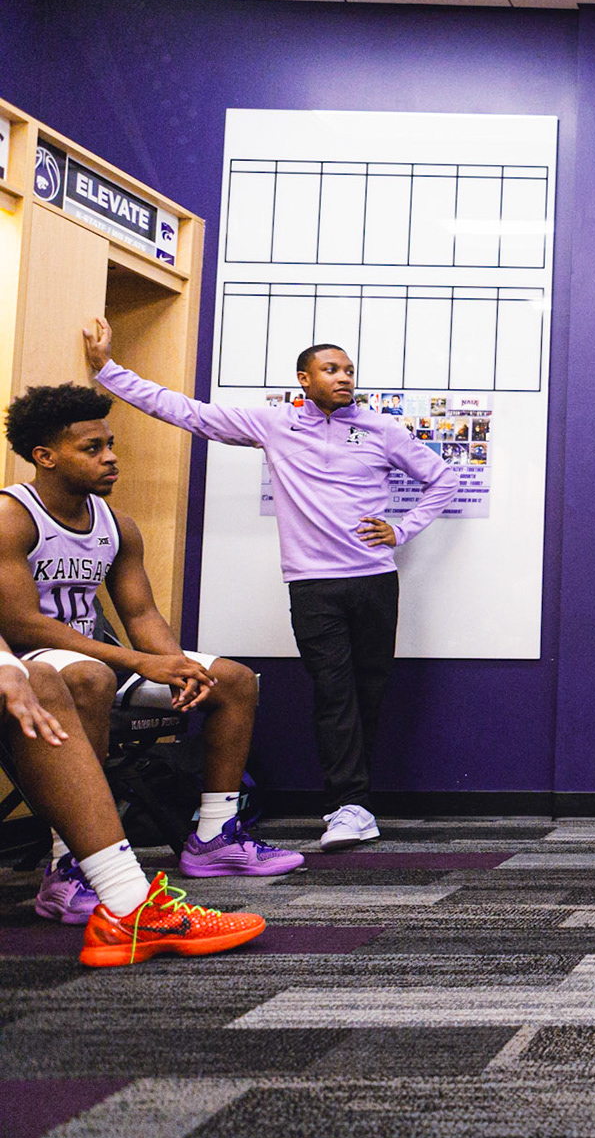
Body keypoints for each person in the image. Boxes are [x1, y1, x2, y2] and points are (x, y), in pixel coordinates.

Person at [82, 320, 456, 852]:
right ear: (304, 378)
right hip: (312, 586)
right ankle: (346, 806)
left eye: (349, 370)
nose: (344, 377)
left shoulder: (381, 430)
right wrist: (108, 371)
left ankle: (358, 805)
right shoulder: (274, 424)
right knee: (333, 692)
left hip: (375, 581)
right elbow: (188, 412)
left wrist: (402, 529)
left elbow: (442, 478)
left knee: (367, 693)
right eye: (331, 369)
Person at [0, 385, 305, 912]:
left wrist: (175, 665)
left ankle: (215, 837)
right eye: (91, 448)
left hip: (103, 657)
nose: (110, 457)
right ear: (46, 457)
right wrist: (140, 661)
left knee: (230, 679)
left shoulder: (117, 525)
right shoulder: (13, 516)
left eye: (110, 444)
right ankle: (69, 867)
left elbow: (140, 615)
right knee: (86, 676)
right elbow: (24, 626)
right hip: (36, 665)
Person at [0, 638, 266, 964]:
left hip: (81, 658)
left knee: (37, 679)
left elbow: (142, 613)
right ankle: (89, 878)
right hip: (52, 652)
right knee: (68, 676)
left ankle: (128, 906)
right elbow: (20, 621)